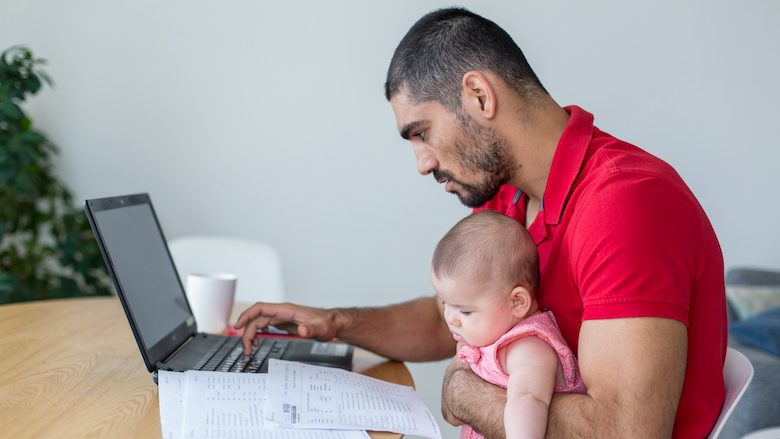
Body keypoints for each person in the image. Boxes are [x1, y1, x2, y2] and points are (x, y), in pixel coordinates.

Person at [236, 7, 728, 438]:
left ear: (478, 96)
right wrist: (334, 324)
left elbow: (626, 433)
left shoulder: (626, 205)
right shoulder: (509, 197)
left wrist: (463, 393)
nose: (422, 163)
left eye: (421, 132)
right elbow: (454, 316)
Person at [431, 210, 586, 439]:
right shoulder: (494, 333)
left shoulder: (527, 348)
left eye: (465, 310)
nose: (450, 319)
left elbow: (528, 400)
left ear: (517, 302)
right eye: (446, 303)